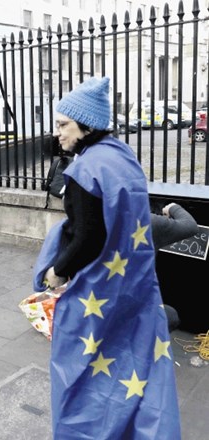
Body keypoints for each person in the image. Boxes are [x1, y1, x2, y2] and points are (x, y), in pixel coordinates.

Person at [33, 77, 181, 438]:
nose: (58, 134)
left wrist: (57, 270)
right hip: (134, 284)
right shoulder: (120, 156)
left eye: (63, 124)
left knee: (83, 370)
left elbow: (89, 236)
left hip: (99, 289)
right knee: (135, 363)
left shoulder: (85, 169)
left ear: (87, 125)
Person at [150, 202, 199, 332]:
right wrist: (173, 207)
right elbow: (190, 226)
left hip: (97, 303)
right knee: (170, 315)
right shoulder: (150, 222)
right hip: (131, 308)